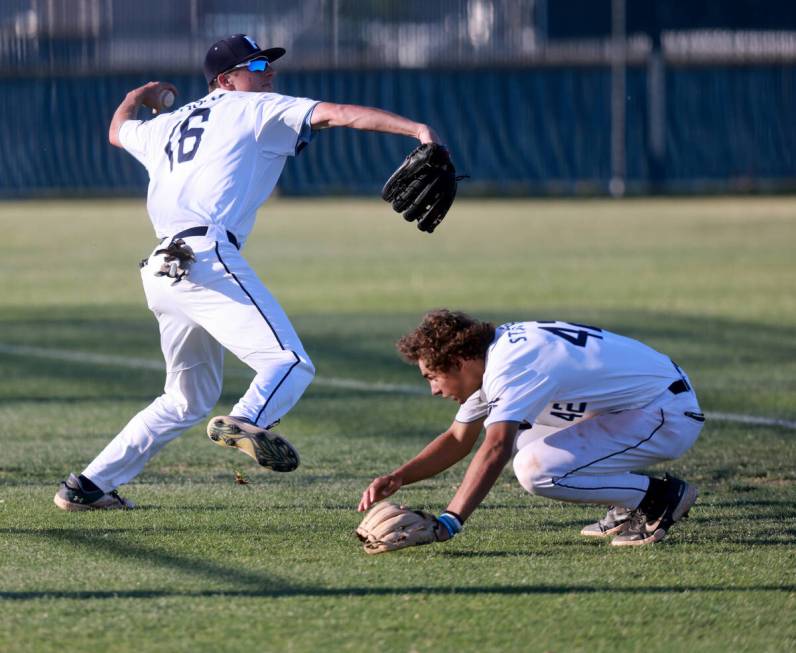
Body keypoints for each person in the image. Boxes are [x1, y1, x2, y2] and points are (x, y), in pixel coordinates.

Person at [54, 33, 444, 511]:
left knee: (184, 401)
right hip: (204, 257)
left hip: (162, 269)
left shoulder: (170, 124)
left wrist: (135, 98)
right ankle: (246, 417)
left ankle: (87, 486)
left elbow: (118, 131)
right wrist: (419, 130)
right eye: (256, 68)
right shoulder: (254, 108)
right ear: (226, 80)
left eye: (268, 66)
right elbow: (339, 114)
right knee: (289, 363)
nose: (268, 75)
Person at [358, 309, 706, 546]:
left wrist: (450, 521)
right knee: (525, 439)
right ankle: (629, 499)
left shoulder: (510, 368)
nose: (434, 389)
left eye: (432, 376)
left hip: (665, 414)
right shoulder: (495, 357)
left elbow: (494, 449)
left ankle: (655, 499)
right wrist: (400, 477)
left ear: (460, 361)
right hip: (639, 406)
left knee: (533, 469)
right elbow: (458, 439)